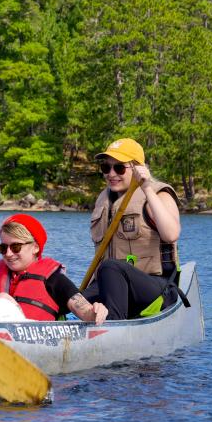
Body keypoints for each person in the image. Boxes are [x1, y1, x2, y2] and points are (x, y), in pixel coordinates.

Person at [0, 213, 108, 324]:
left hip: (30, 339)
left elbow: (84, 310)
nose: (9, 254)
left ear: (35, 247)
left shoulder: (54, 279)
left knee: (3, 300)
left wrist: (95, 312)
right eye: (3, 248)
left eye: (16, 247)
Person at [81, 137, 182, 320]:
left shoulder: (158, 195)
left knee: (110, 267)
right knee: (68, 299)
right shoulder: (104, 200)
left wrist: (146, 188)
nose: (111, 174)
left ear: (137, 168)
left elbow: (171, 234)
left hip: (154, 288)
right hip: (110, 285)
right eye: (106, 167)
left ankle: (112, 329)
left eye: (119, 167)